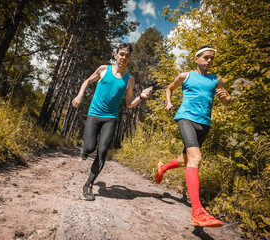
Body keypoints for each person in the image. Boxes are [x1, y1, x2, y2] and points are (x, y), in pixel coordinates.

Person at [155, 45, 231, 227]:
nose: (209, 61)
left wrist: (225, 97)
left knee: (184, 160)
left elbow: (226, 102)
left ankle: (162, 168)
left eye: (212, 58)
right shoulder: (185, 76)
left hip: (205, 124)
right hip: (186, 118)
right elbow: (169, 88)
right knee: (195, 158)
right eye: (206, 57)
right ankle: (197, 211)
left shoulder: (216, 79)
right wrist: (168, 103)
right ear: (196, 59)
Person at [72, 42, 153, 201]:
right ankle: (85, 148)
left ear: (129, 59)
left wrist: (141, 97)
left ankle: (88, 184)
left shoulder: (130, 80)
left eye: (127, 55)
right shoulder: (103, 69)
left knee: (102, 152)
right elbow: (87, 81)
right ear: (116, 55)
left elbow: (129, 103)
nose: (123, 57)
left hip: (110, 117)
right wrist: (80, 95)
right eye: (121, 54)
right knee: (89, 147)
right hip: (94, 113)